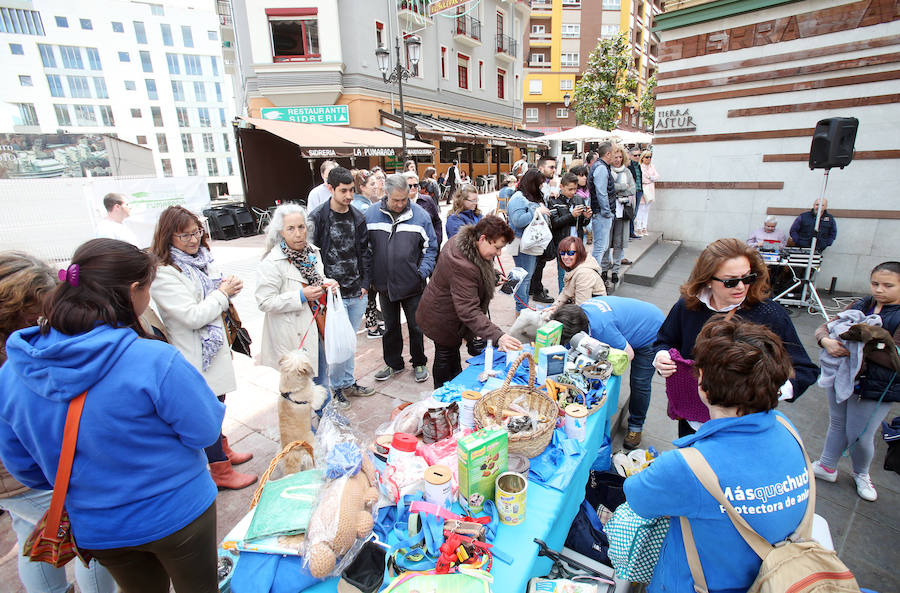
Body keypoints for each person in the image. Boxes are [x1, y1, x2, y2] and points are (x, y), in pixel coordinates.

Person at [0, 239, 225, 593]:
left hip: (99, 527)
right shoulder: (153, 360)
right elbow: (205, 431)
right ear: (134, 290)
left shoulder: (12, 374)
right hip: (177, 514)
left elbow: (26, 470)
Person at [626, 317, 809, 593]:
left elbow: (636, 496)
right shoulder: (787, 427)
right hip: (781, 576)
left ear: (703, 386)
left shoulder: (688, 465)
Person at [0, 252, 116, 593]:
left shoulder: (15, 350)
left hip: (20, 482)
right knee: (91, 545)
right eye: (41, 311)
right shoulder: (14, 361)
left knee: (35, 536)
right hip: (27, 478)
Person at [653, 238, 818, 437]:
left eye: (747, 278)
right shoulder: (688, 306)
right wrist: (661, 358)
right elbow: (665, 340)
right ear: (707, 279)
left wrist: (766, 393)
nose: (741, 287)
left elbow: (805, 371)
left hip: (742, 427)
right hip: (692, 420)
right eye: (731, 281)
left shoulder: (770, 314)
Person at [150, 206, 257, 490]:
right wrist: (223, 293)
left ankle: (222, 451)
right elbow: (192, 315)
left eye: (196, 232)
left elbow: (211, 294)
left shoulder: (201, 260)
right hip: (194, 352)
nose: (193, 240)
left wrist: (225, 286)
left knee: (217, 404)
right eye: (184, 235)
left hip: (214, 346)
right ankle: (219, 469)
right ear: (167, 236)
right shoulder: (164, 273)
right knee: (205, 410)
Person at [812, 261, 900, 501]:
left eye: (887, 285)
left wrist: (857, 348)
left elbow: (895, 358)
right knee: (838, 423)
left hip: (877, 386)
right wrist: (826, 341)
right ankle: (827, 466)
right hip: (843, 376)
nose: (879, 289)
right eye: (875, 283)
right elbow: (825, 327)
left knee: (860, 434)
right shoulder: (862, 304)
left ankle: (862, 474)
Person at [417, 216, 522, 387]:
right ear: (482, 239)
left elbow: (478, 269)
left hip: (448, 312)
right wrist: (499, 336)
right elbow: (469, 310)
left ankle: (455, 381)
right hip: (441, 317)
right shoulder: (461, 263)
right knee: (445, 353)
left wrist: (492, 277)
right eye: (497, 247)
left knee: (451, 351)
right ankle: (442, 396)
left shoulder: (467, 244)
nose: (499, 253)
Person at [551, 295, 663, 449]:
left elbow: (628, 355)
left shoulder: (602, 328)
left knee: (640, 382)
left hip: (651, 331)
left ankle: (636, 426)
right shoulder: (578, 314)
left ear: (581, 333)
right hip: (636, 318)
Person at [308, 166, 375, 403]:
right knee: (335, 343)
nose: (349, 196)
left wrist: (366, 284)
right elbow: (311, 256)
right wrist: (321, 286)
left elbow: (365, 253)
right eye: (344, 191)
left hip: (357, 290)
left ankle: (348, 383)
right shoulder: (317, 217)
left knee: (349, 343)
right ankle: (335, 388)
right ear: (330, 189)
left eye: (351, 190)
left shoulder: (358, 216)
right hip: (331, 295)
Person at [256, 204, 337, 398]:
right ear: (281, 232)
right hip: (292, 333)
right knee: (296, 387)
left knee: (320, 378)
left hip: (316, 326)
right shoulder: (272, 262)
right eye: (290, 229)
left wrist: (327, 283)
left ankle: (326, 420)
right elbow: (264, 301)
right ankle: (301, 426)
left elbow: (316, 278)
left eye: (301, 227)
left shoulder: (312, 252)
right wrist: (300, 296)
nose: (298, 234)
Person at [365, 173, 438, 383]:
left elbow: (431, 249)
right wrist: (370, 277)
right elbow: (366, 250)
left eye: (404, 199)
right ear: (386, 194)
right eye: (395, 200)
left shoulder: (421, 216)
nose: (400, 204)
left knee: (416, 325)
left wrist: (421, 273)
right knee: (390, 326)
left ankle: (419, 362)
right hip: (384, 284)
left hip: (412, 284)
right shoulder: (371, 215)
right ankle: (393, 363)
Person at [506, 168, 551, 313]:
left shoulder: (527, 197)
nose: (541, 187)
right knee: (523, 277)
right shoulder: (518, 198)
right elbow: (518, 221)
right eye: (539, 184)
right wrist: (536, 210)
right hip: (521, 243)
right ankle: (521, 309)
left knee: (525, 276)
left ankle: (522, 307)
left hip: (529, 243)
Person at [601, 145, 636, 289]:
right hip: (609, 211)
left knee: (618, 243)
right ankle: (604, 269)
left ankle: (615, 270)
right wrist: (622, 187)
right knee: (605, 243)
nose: (617, 159)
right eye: (615, 157)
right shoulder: (606, 170)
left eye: (620, 157)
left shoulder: (627, 171)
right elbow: (608, 188)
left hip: (622, 212)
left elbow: (632, 188)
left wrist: (619, 189)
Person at [528, 155, 558, 304]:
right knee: (537, 261)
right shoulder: (533, 184)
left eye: (554, 167)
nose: (554, 170)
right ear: (541, 168)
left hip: (541, 230)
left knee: (539, 262)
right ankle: (536, 289)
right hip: (534, 233)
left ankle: (534, 287)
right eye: (551, 167)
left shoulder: (545, 184)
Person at [550, 237, 606, 306]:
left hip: (592, 313)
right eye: (562, 253)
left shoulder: (584, 274)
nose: (565, 257)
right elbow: (566, 292)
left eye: (570, 253)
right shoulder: (573, 266)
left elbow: (581, 307)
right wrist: (554, 306)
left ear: (579, 253)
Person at [588, 145, 616, 267]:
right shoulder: (601, 168)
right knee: (600, 247)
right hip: (601, 213)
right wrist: (606, 211)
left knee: (601, 247)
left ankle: (595, 275)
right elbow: (601, 192)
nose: (616, 156)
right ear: (608, 154)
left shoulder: (600, 167)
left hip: (600, 211)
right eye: (614, 153)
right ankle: (594, 276)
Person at [405, 171, 443, 246]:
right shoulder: (399, 204)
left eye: (415, 185)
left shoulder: (427, 200)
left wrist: (437, 240)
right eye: (409, 186)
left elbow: (437, 222)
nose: (413, 188)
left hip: (429, 247)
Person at [637, 150, 658, 237]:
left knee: (647, 209)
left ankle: (644, 227)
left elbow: (657, 176)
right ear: (643, 158)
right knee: (641, 209)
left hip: (650, 189)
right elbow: (643, 178)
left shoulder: (652, 166)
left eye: (650, 157)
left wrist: (651, 177)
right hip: (644, 188)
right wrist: (651, 178)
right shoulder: (640, 167)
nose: (648, 159)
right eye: (647, 157)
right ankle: (639, 227)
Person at [570, 165, 592, 243]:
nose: (585, 178)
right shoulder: (570, 194)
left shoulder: (588, 192)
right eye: (581, 175)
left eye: (586, 175)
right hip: (573, 229)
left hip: (585, 227)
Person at [627, 148, 643, 239]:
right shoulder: (629, 166)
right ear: (630, 156)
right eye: (635, 155)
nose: (637, 157)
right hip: (632, 192)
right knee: (631, 212)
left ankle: (631, 232)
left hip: (639, 191)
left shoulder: (638, 166)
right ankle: (629, 232)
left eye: (638, 155)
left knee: (635, 213)